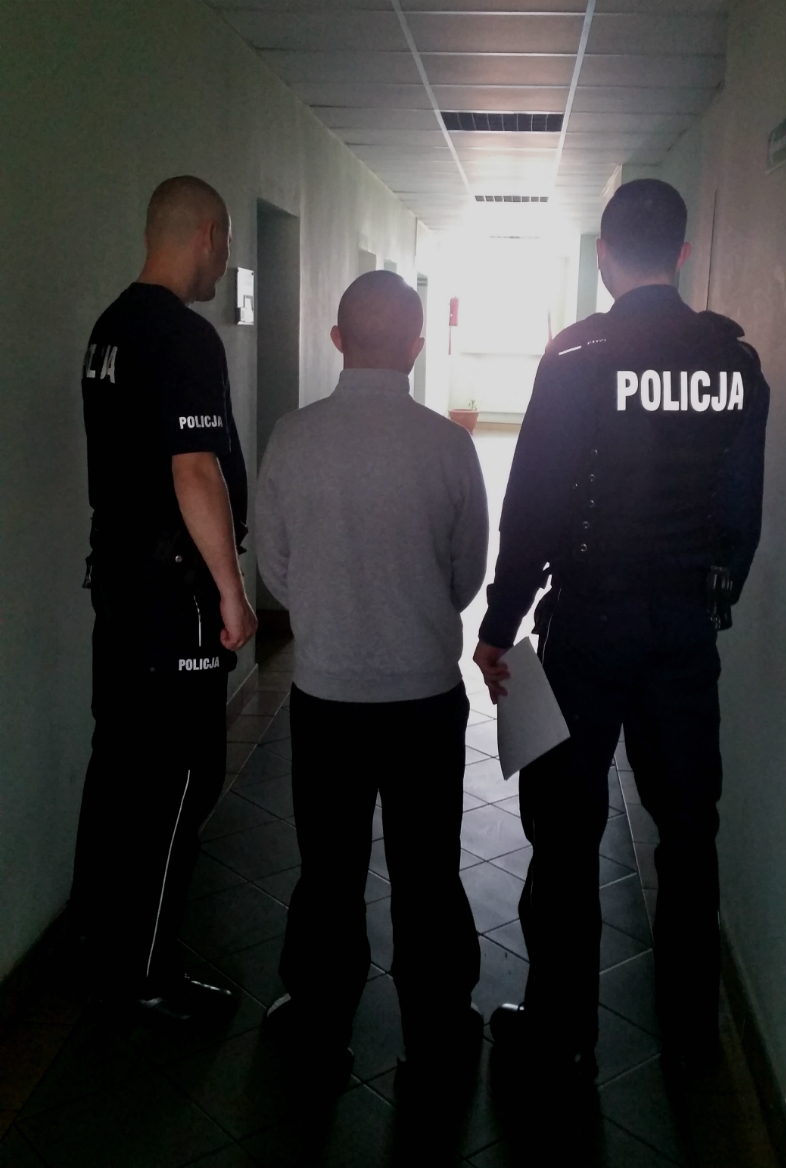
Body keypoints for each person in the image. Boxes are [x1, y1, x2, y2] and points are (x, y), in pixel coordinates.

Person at [474, 179, 770, 1079]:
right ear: (681, 254)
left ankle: (563, 1032)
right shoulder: (734, 365)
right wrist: (711, 596)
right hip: (682, 629)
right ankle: (690, 1037)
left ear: (604, 255)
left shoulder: (575, 357)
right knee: (688, 829)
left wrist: (499, 620)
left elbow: (534, 505)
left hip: (587, 627)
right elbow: (741, 513)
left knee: (566, 831)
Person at [255, 270, 489, 1084]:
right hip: (426, 696)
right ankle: (438, 1027)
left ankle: (319, 1021)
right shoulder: (450, 445)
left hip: (327, 695)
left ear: (336, 341)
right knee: (428, 871)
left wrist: (333, 614)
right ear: (418, 348)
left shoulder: (292, 437)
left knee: (329, 870)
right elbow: (467, 574)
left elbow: (276, 570)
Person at [71, 176, 258, 1019]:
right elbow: (194, 471)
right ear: (208, 234)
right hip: (170, 598)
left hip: (119, 589)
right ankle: (146, 974)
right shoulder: (183, 336)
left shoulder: (109, 329)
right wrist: (231, 594)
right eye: (226, 243)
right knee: (184, 775)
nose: (224, 260)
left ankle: (96, 943)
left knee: (118, 766)